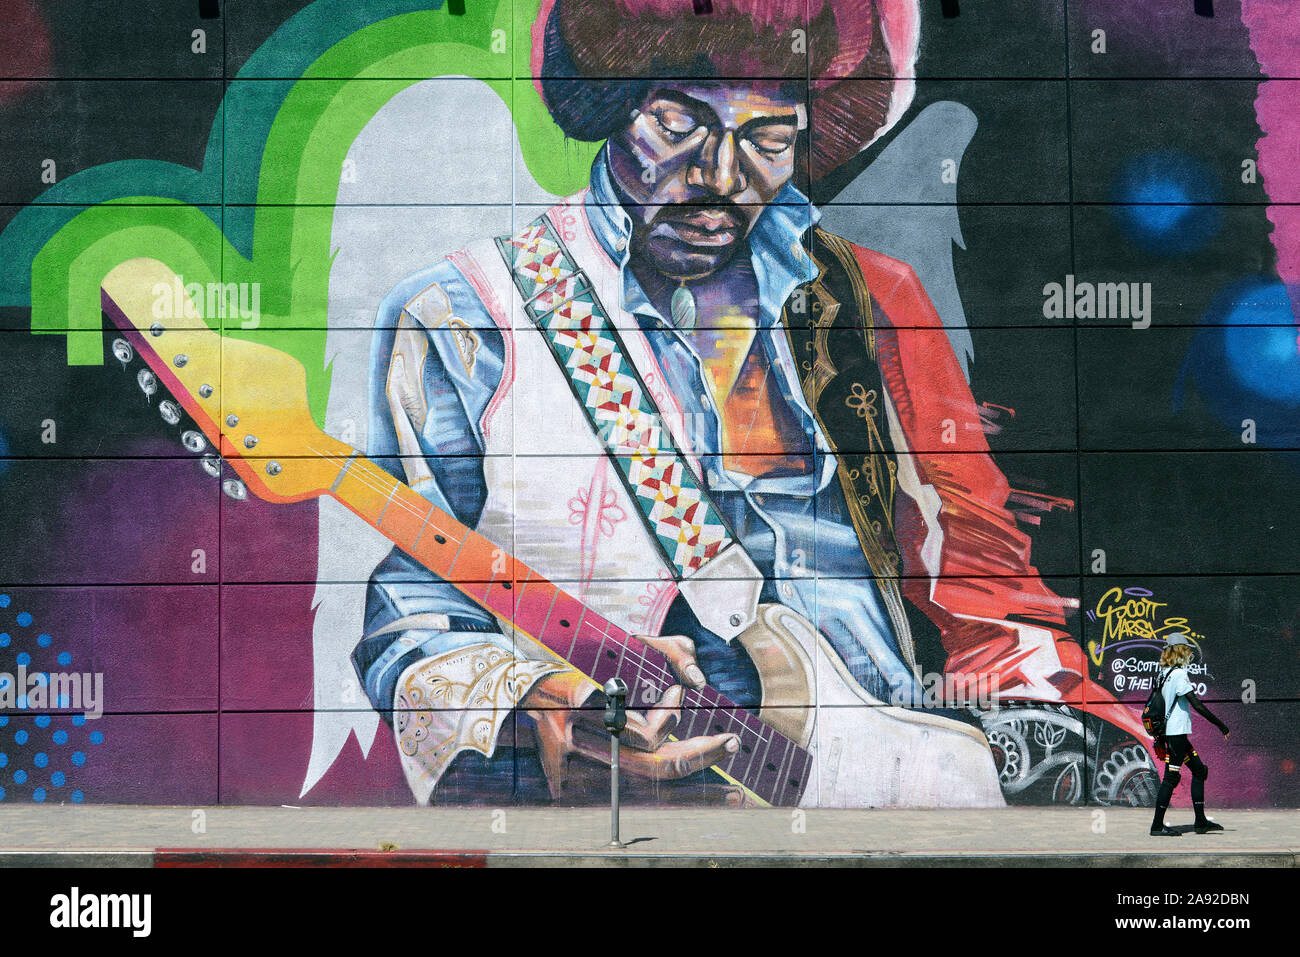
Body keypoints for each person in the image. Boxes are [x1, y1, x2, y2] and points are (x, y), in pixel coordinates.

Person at [353, 0, 1151, 806]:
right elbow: (414, 623)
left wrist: (1054, 736)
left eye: (769, 140)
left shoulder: (872, 300)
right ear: (610, 101)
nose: (721, 180)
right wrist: (532, 706)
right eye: (678, 126)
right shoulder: (466, 316)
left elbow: (982, 578)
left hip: (907, 783)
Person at [1150, 634, 1230, 836]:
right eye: (1186, 650)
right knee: (1171, 777)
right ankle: (1157, 826)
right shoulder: (1178, 675)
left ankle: (1201, 822)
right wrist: (1220, 725)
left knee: (1199, 771)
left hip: (1174, 734)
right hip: (1176, 734)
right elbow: (1196, 704)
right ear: (1179, 651)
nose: (1189, 654)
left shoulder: (1163, 673)